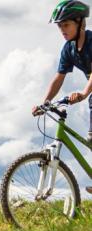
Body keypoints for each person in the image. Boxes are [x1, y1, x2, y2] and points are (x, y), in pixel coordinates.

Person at [32, 1, 92, 194]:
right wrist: (45, 102)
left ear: (80, 22)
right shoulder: (68, 49)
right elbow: (59, 77)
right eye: (60, 26)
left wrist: (83, 93)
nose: (62, 30)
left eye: (66, 25)